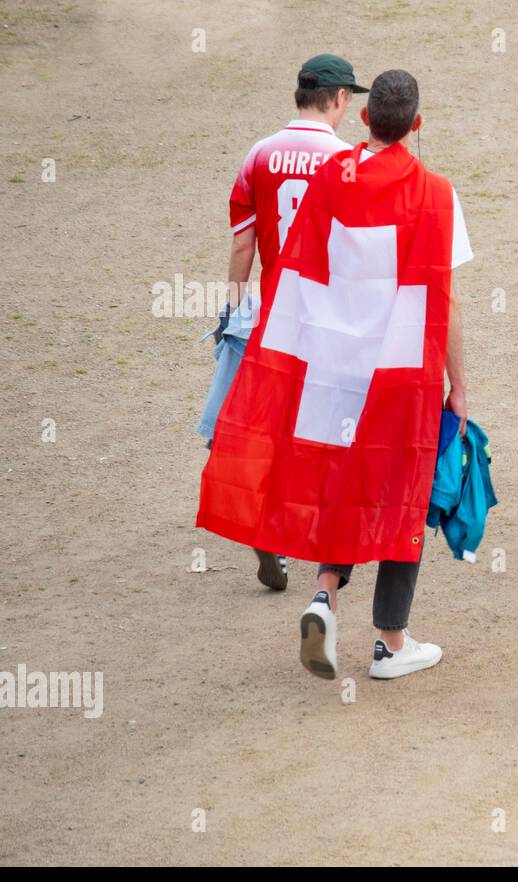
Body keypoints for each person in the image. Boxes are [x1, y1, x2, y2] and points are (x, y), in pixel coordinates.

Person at [197, 69, 473, 681]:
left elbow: (302, 270)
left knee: (336, 477)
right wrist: (459, 384)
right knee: (403, 493)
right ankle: (391, 642)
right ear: (417, 125)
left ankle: (325, 591)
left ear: (367, 120)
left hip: (334, 365)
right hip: (402, 367)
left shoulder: (329, 178)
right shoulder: (437, 194)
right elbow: (446, 300)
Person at [197, 53, 362, 592]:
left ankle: (264, 525)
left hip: (272, 317)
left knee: (261, 425)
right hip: (327, 320)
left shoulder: (260, 153)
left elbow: (243, 241)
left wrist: (236, 307)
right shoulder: (346, 160)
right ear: (339, 99)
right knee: (320, 432)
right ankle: (311, 536)